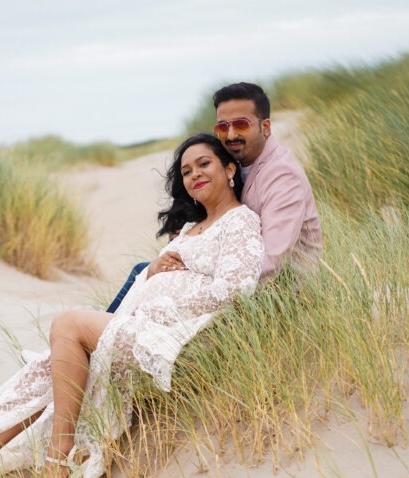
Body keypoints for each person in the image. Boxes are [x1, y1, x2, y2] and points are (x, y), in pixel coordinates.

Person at [0, 133, 265, 478]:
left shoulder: (239, 222)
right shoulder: (186, 231)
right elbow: (152, 282)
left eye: (204, 164)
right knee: (52, 368)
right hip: (140, 328)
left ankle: (56, 457)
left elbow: (236, 288)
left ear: (229, 169)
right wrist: (152, 271)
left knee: (67, 325)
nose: (194, 174)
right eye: (186, 170)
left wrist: (178, 285)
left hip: (173, 340)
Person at [106, 82, 322, 313]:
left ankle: (102, 333)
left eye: (241, 124)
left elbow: (269, 263)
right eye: (222, 127)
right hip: (231, 277)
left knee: (153, 284)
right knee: (147, 270)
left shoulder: (282, 177)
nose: (230, 135)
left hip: (280, 298)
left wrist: (192, 283)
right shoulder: (239, 162)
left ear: (265, 127)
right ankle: (102, 334)